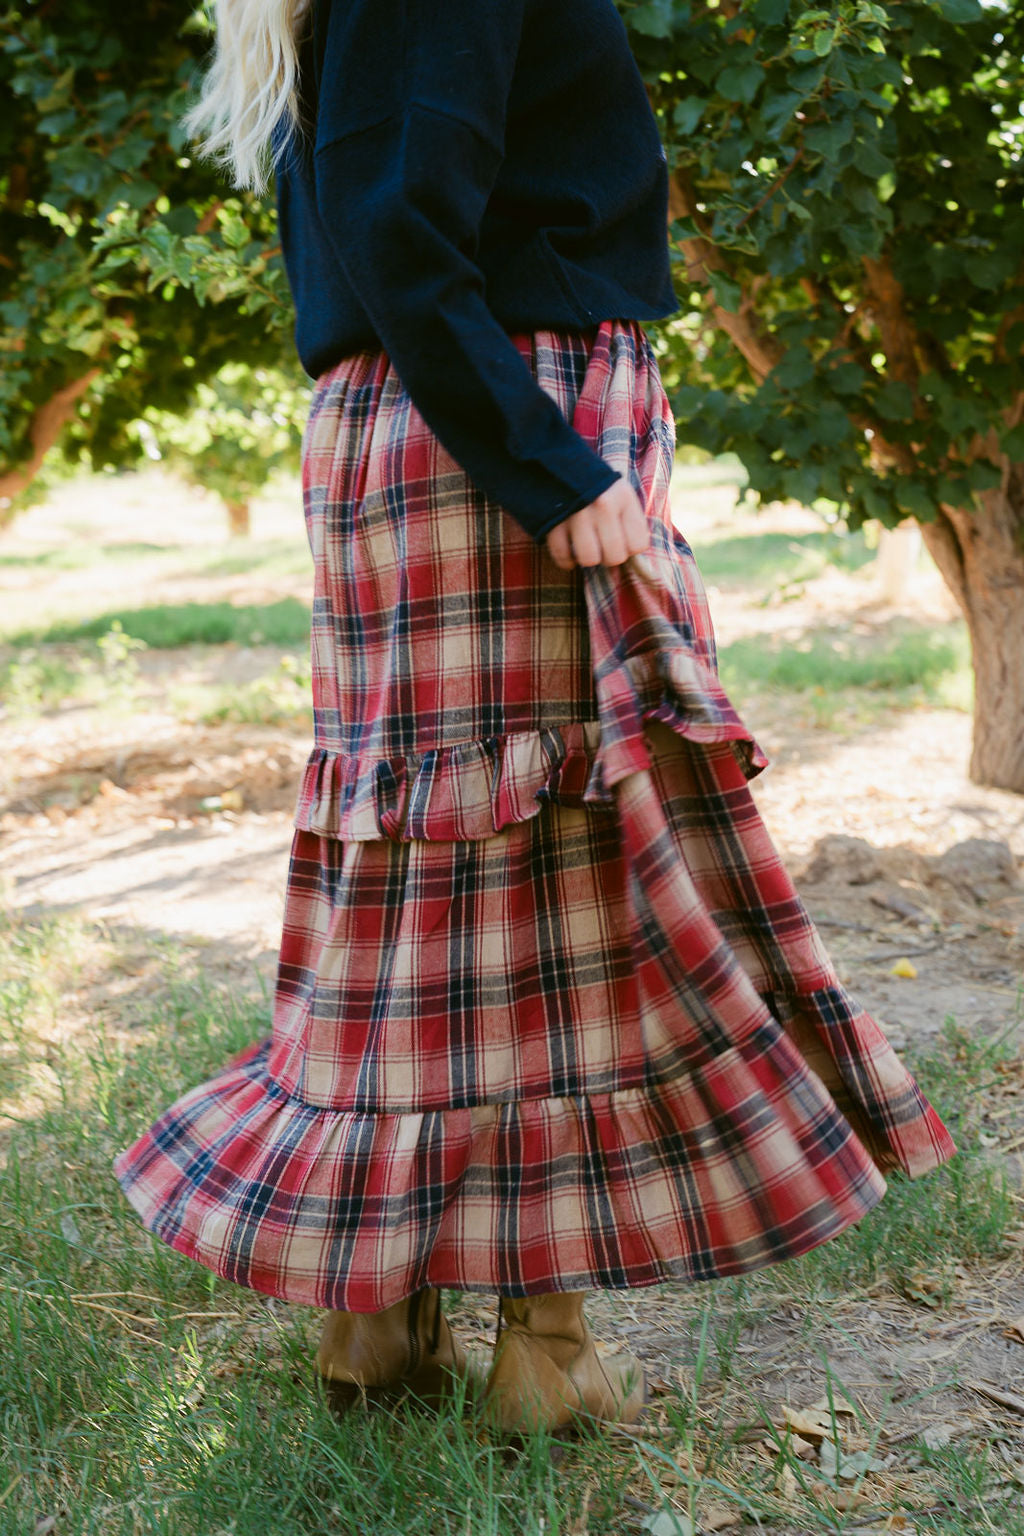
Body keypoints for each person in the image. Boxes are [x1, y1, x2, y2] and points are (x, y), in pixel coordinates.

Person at [114, 0, 956, 1437]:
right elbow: (399, 226)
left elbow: (388, 213)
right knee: (549, 879)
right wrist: (552, 465)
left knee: (433, 881)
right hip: (504, 415)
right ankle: (540, 1351)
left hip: (426, 423)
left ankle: (381, 1312)